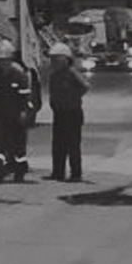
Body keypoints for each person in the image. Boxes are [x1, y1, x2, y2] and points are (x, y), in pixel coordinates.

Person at [0, 40, 35, 182]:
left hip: (16, 115)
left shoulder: (19, 76)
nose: (3, 63)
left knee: (19, 147)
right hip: (0, 115)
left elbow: (25, 97)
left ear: (10, 59)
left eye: (5, 60)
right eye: (0, 61)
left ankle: (20, 172)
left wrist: (24, 113)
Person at [43, 42, 89, 181]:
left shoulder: (72, 73)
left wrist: (73, 97)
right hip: (59, 113)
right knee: (58, 144)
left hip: (72, 113)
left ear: (65, 59)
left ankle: (76, 174)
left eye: (56, 59)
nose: (53, 62)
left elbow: (85, 86)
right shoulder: (54, 75)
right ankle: (58, 172)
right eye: (52, 59)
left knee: (73, 144)